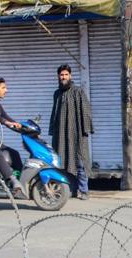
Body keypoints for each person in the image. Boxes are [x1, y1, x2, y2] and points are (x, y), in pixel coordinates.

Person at [49, 64, 94, 200]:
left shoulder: (78, 91)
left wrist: (86, 130)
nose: (63, 77)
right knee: (64, 163)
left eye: (66, 75)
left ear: (70, 76)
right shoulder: (57, 94)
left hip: (77, 134)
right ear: (58, 76)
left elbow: (86, 111)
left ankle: (84, 191)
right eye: (61, 75)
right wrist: (53, 130)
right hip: (61, 134)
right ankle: (72, 190)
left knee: (80, 162)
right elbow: (54, 114)